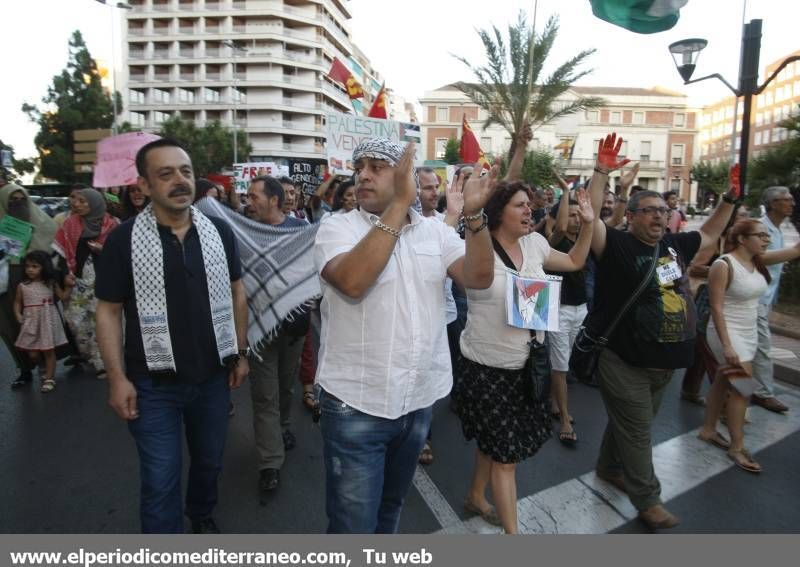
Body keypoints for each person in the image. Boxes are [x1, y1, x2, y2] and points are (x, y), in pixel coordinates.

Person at [313, 138, 496, 533]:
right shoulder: (336, 228)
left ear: (404, 177)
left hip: (416, 403)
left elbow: (478, 278)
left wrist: (476, 217)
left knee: (389, 512)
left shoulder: (435, 232)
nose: (362, 174)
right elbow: (352, 281)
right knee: (352, 526)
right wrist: (399, 204)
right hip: (356, 406)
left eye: (377, 167)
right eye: (359, 166)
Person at [95, 138, 249, 534]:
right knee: (160, 482)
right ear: (144, 186)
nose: (179, 181)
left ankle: (201, 514)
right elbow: (109, 312)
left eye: (185, 171)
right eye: (165, 174)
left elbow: (237, 291)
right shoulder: (122, 240)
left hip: (214, 378)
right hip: (152, 385)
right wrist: (116, 378)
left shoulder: (219, 232)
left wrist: (241, 351)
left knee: (210, 463)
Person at [586, 139, 739, 530]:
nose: (659, 216)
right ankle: (647, 499)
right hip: (623, 361)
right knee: (638, 430)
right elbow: (589, 218)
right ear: (632, 216)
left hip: (663, 365)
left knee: (630, 423)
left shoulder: (674, 245)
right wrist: (602, 172)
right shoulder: (616, 245)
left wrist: (729, 199)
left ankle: (607, 466)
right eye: (650, 210)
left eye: (663, 210)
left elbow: (710, 233)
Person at [453, 174, 597, 533]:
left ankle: (475, 496)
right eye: (520, 205)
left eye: (530, 204)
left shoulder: (535, 244)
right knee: (506, 456)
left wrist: (589, 225)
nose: (529, 210)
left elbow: (577, 260)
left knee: (495, 441)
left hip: (528, 364)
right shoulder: (475, 244)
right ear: (499, 212)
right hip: (485, 367)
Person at [699, 219, 800, 472]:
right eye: (761, 235)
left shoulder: (757, 261)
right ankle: (737, 447)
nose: (766, 239)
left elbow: (796, 250)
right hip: (726, 336)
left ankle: (709, 430)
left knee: (724, 382)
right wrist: (728, 346)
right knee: (744, 389)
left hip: (748, 333)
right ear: (742, 239)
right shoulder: (724, 265)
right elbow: (716, 308)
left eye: (767, 236)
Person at [244, 175, 309, 501]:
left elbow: (312, 274)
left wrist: (306, 302)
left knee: (284, 387)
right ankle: (270, 462)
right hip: (258, 330)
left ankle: (283, 426)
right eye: (247, 196)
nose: (248, 202)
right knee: (264, 396)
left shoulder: (299, 231)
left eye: (254, 196)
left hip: (292, 329)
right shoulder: (241, 232)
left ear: (274, 199)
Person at [52, 188, 118, 377]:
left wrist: (102, 250)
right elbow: (61, 255)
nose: (77, 204)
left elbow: (119, 255)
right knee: (76, 322)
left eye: (83, 201)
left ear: (95, 203)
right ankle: (89, 355)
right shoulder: (69, 224)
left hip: (102, 283)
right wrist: (65, 274)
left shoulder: (111, 225)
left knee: (101, 322)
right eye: (76, 201)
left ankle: (102, 362)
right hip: (77, 285)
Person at [1, 183, 58, 387]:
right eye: (12, 200)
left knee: (41, 325)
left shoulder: (43, 222)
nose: (18, 204)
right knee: (11, 328)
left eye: (21, 199)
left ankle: (47, 365)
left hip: (36, 285)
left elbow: (54, 249)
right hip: (6, 285)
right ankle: (24, 369)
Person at [750, 186, 796, 413]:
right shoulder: (761, 228)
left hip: (763, 300)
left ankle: (735, 394)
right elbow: (760, 258)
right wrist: (796, 251)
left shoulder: (776, 230)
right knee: (762, 349)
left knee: (746, 352)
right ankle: (762, 393)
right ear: (773, 204)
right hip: (753, 300)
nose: (792, 203)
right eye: (786, 199)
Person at [13, 250, 69, 393]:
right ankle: (42, 365)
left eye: (35, 266)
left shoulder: (50, 283)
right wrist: (18, 315)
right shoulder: (23, 286)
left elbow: (62, 296)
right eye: (27, 266)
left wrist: (69, 286)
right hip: (31, 322)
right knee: (33, 353)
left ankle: (49, 379)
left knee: (48, 350)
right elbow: (17, 303)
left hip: (47, 320)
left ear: (44, 267)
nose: (30, 270)